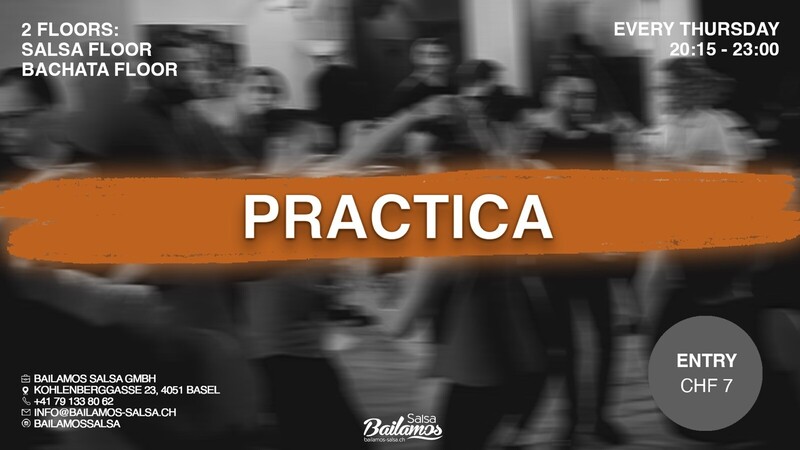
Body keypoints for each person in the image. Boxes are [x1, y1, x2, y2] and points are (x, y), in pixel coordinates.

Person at [383, 38, 456, 116]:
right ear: (418, 59)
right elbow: (389, 121)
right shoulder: (408, 90)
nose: (440, 60)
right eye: (433, 55)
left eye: (444, 54)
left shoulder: (452, 86)